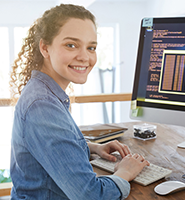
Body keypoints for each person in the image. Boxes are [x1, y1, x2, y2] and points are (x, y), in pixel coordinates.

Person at [9, 4, 149, 200]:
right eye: (71, 45)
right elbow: (90, 195)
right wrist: (125, 172)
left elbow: (50, 148)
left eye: (91, 47)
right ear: (45, 47)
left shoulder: (43, 92)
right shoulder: (42, 104)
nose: (85, 57)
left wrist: (91, 147)